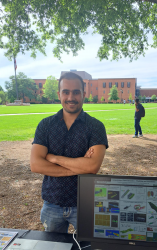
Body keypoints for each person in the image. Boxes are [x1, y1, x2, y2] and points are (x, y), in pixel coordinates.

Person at [30, 72, 108, 233]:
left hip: (85, 203)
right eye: (66, 92)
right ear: (59, 94)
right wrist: (80, 167)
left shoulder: (95, 126)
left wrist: (53, 158)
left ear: (84, 94)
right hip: (52, 203)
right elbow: (36, 164)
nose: (71, 97)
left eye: (76, 92)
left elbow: (92, 166)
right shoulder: (45, 125)